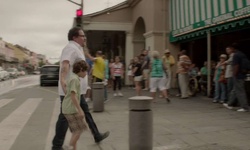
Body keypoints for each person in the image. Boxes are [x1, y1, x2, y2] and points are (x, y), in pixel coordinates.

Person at [52, 27, 109, 150]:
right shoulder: (70, 48)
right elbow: (65, 64)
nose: (85, 38)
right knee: (64, 118)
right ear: (75, 37)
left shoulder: (78, 49)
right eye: (82, 36)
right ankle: (56, 146)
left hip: (78, 90)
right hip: (69, 90)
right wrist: (62, 79)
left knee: (86, 113)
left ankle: (96, 134)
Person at [62, 60, 88, 150]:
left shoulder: (72, 77)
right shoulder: (75, 79)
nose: (86, 73)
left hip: (68, 108)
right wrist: (80, 110)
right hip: (71, 109)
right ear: (81, 70)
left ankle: (72, 147)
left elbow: (66, 89)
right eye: (85, 71)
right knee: (79, 129)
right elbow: (73, 96)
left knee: (75, 132)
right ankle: (68, 146)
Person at [223, 44, 249, 112]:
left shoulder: (236, 55)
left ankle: (245, 107)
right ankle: (229, 103)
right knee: (235, 90)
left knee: (240, 91)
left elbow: (236, 66)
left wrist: (234, 74)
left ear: (232, 48)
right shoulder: (242, 54)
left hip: (238, 75)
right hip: (243, 74)